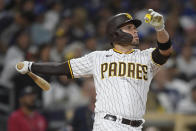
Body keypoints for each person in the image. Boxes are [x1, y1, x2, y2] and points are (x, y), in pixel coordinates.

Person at [16, 9, 173, 131]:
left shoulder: (145, 57)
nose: (135, 30)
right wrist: (31, 66)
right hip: (107, 124)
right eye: (129, 27)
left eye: (135, 28)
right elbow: (61, 68)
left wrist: (160, 28)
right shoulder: (97, 58)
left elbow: (165, 51)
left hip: (136, 126)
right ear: (115, 33)